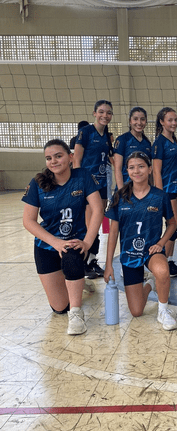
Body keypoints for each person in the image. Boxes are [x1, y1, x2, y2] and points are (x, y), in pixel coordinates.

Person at [22, 139, 103, 335]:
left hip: (75, 241)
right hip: (47, 245)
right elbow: (28, 221)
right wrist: (56, 243)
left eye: (58, 156)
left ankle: (76, 314)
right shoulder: (38, 183)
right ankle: (78, 284)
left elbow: (98, 209)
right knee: (59, 308)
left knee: (72, 261)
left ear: (70, 157)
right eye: (49, 158)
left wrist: (87, 242)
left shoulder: (82, 176)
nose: (53, 161)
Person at [104, 152, 177, 330]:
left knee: (162, 270)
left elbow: (173, 224)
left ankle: (163, 311)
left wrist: (161, 243)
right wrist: (108, 264)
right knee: (136, 311)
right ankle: (150, 285)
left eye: (141, 166)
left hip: (151, 250)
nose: (136, 171)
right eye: (131, 167)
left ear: (150, 169)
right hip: (129, 253)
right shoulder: (120, 196)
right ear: (127, 171)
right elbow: (113, 232)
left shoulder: (160, 196)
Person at [73, 99, 115, 279]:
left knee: (96, 224)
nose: (105, 115)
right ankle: (82, 263)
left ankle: (91, 260)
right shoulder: (86, 132)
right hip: (87, 185)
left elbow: (111, 159)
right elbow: (76, 160)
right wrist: (78, 184)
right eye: (101, 112)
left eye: (108, 112)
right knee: (89, 224)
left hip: (102, 184)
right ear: (94, 114)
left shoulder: (106, 135)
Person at [152, 107, 177, 278]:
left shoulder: (173, 140)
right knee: (174, 226)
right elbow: (156, 171)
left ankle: (169, 260)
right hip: (168, 190)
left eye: (175, 120)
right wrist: (160, 194)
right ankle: (162, 261)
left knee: (173, 227)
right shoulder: (159, 143)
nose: (174, 123)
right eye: (170, 120)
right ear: (162, 122)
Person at [113, 106, 152, 190]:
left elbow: (149, 169)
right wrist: (121, 191)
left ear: (146, 121)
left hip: (143, 189)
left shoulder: (147, 143)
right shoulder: (122, 140)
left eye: (142, 119)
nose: (139, 122)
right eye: (135, 119)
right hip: (126, 187)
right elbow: (117, 169)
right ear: (130, 121)